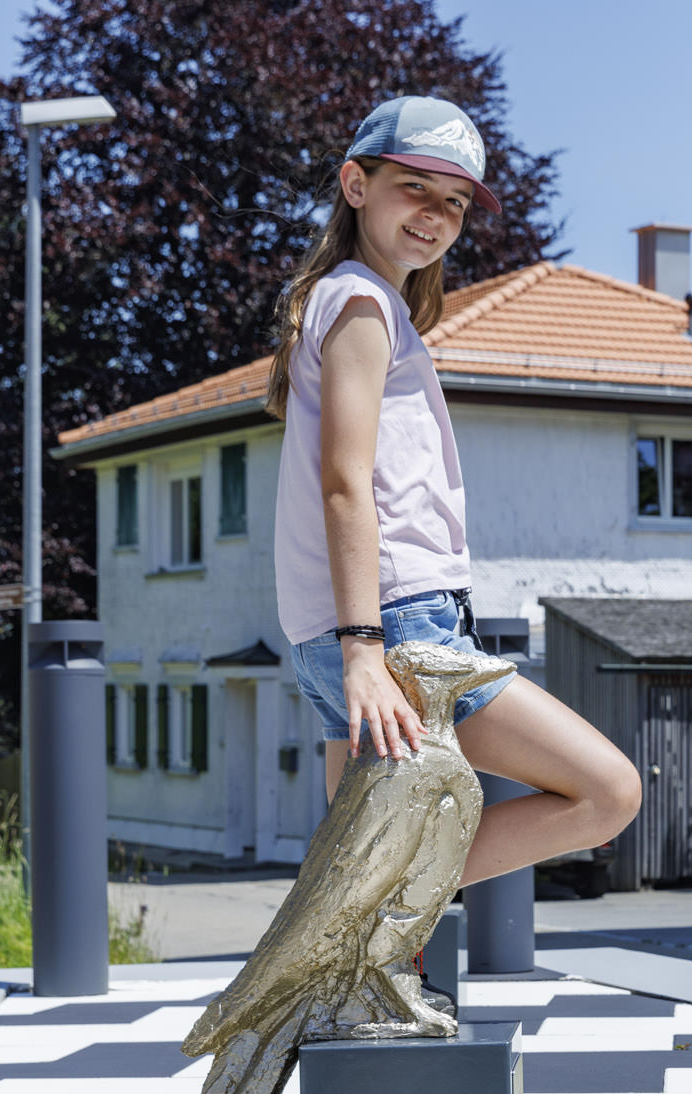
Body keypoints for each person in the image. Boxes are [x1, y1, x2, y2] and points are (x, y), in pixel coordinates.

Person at [269, 96, 641, 929]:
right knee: (606, 792)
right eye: (415, 187)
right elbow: (344, 481)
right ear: (355, 185)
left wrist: (352, 646)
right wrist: (365, 650)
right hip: (394, 625)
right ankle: (353, 909)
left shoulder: (346, 302)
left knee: (359, 843)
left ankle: (354, 929)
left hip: (344, 626)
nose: (435, 214)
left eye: (456, 201)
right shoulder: (362, 305)